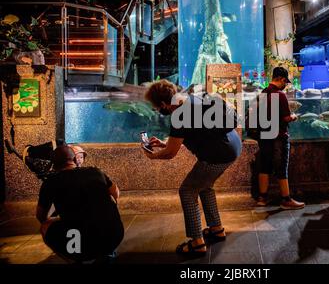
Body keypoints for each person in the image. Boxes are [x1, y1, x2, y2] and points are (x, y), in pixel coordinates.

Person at [142, 80, 242, 257]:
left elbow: (171, 153)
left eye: (157, 107)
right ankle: (216, 229)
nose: (158, 110)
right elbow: (190, 136)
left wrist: (153, 156)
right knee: (204, 185)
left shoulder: (179, 115)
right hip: (232, 145)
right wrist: (164, 144)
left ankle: (197, 243)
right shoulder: (190, 99)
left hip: (219, 154)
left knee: (187, 191)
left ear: (164, 104)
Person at [36, 145, 124, 262]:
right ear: (74, 160)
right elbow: (116, 194)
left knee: (45, 226)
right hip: (115, 236)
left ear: (54, 165)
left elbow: (41, 216)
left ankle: (75, 258)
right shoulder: (96, 172)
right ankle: (107, 252)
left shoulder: (50, 182)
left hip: (82, 244)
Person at [255, 67, 305, 209]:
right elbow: (286, 118)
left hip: (264, 136)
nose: (285, 85)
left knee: (265, 166)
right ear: (282, 79)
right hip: (278, 137)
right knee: (282, 167)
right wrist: (294, 116)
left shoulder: (263, 93)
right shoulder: (280, 95)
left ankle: (262, 198)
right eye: (285, 82)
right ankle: (286, 199)